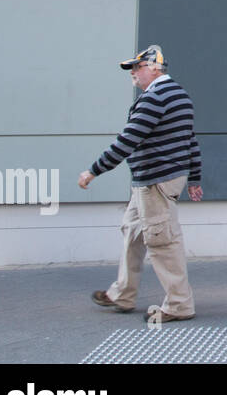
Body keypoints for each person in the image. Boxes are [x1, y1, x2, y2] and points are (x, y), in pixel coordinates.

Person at [79, 45, 203, 322]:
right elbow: (190, 140)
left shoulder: (154, 98)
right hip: (155, 180)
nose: (133, 74)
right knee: (133, 233)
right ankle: (122, 294)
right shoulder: (179, 95)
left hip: (155, 181)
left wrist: (93, 171)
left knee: (162, 241)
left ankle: (179, 304)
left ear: (155, 68)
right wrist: (194, 177)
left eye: (137, 67)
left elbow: (127, 141)